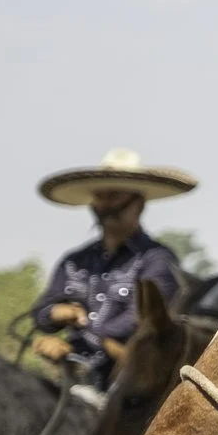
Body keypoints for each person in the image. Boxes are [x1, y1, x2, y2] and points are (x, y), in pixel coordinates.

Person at [30, 148, 197, 386]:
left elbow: (141, 318)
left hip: (131, 387)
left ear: (137, 204)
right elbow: (41, 312)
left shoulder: (156, 259)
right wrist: (56, 314)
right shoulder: (75, 261)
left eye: (115, 196)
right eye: (101, 196)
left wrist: (78, 340)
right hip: (74, 381)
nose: (105, 205)